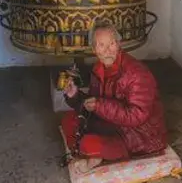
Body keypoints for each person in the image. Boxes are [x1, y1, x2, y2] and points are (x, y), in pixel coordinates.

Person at [60, 20, 168, 169]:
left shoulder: (137, 73)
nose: (107, 50)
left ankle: (90, 155)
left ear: (118, 45)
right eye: (101, 45)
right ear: (94, 49)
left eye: (112, 44)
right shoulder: (99, 68)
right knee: (69, 120)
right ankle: (90, 155)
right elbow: (93, 104)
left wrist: (99, 106)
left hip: (138, 136)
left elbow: (136, 116)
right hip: (111, 124)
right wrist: (75, 96)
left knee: (88, 143)